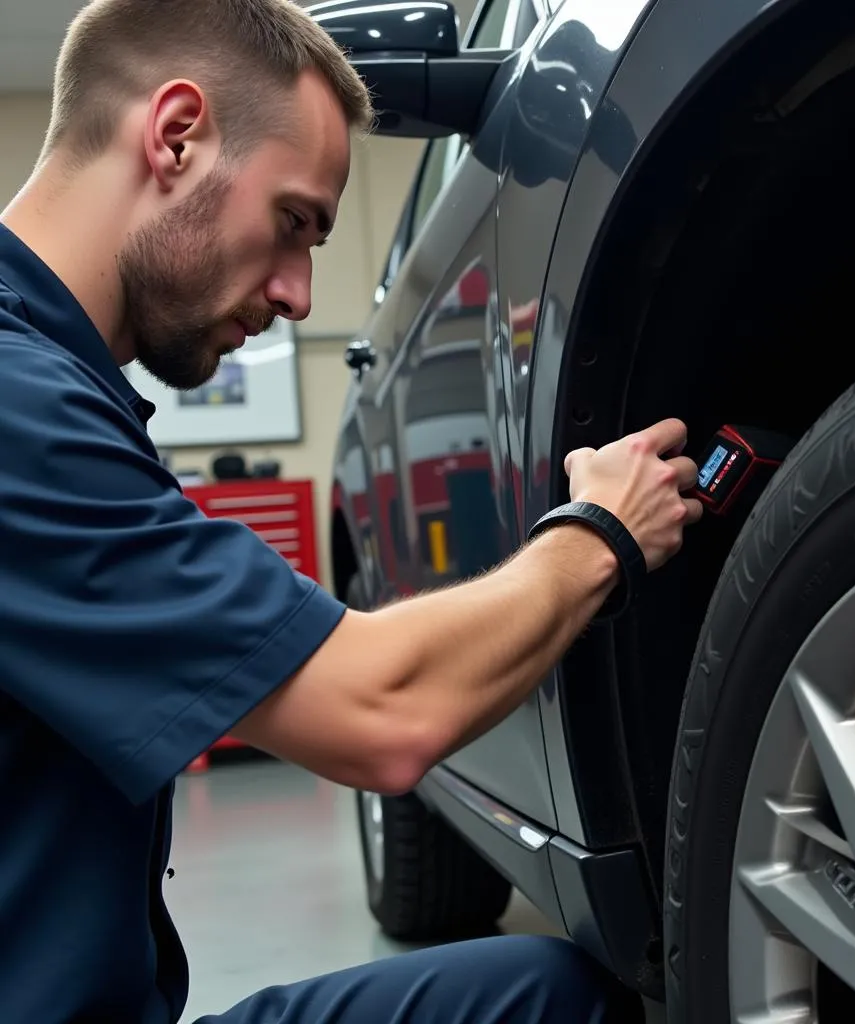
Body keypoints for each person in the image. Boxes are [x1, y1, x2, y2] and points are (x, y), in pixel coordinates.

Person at [0, 1, 703, 1022]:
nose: (298, 294)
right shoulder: (20, 406)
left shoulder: (55, 385)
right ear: (175, 134)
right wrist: (599, 532)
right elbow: (380, 712)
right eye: (293, 221)